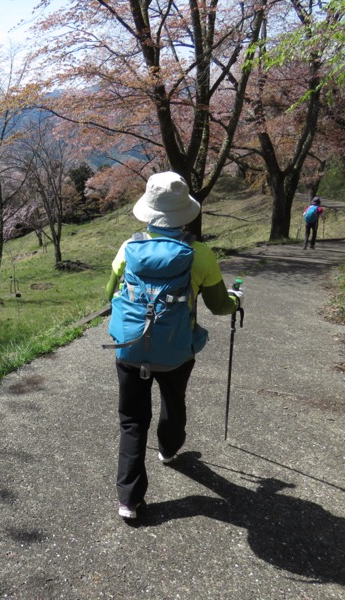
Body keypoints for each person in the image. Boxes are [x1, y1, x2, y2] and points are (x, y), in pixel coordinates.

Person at [105, 171, 243, 520]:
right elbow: (218, 306)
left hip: (131, 348)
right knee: (173, 399)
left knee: (133, 421)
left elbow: (110, 294)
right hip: (177, 350)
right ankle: (168, 449)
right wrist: (236, 300)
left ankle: (129, 500)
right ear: (185, 213)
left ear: (149, 211)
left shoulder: (128, 248)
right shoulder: (200, 254)